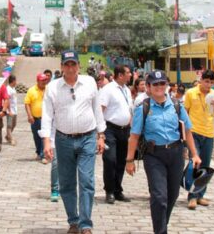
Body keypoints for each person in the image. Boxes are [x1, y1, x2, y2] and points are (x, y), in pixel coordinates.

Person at [125, 70, 201, 234]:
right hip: (154, 156)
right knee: (159, 197)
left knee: (172, 196)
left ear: (167, 85)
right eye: (155, 84)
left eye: (162, 83)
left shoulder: (176, 105)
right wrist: (129, 160)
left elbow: (187, 131)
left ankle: (161, 226)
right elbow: (134, 136)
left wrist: (194, 154)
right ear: (149, 87)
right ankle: (161, 231)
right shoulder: (142, 108)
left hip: (175, 154)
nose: (159, 87)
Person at [41, 50, 106, 234]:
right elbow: (47, 116)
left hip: (87, 138)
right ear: (61, 67)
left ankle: (86, 224)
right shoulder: (52, 87)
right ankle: (73, 221)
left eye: (73, 64)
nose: (70, 68)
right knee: (67, 183)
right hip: (63, 140)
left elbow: (97, 110)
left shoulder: (90, 83)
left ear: (79, 66)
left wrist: (101, 135)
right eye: (66, 64)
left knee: (86, 181)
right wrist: (47, 141)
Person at [183, 69, 214, 210]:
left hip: (209, 133)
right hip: (193, 132)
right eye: (206, 81)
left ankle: (200, 194)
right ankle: (192, 196)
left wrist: (213, 105)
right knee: (195, 163)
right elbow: (185, 113)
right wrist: (184, 135)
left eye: (211, 82)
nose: (208, 85)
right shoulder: (190, 93)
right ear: (201, 80)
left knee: (205, 165)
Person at [99, 64, 133, 204]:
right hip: (110, 129)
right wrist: (99, 133)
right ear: (120, 75)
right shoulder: (108, 90)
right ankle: (109, 190)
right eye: (128, 72)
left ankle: (118, 189)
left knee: (121, 160)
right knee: (110, 159)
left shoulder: (126, 90)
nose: (130, 75)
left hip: (124, 130)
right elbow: (100, 110)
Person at [25, 73, 50, 164]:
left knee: (45, 136)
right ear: (38, 81)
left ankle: (44, 155)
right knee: (36, 136)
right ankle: (39, 152)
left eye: (45, 80)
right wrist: (29, 115)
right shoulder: (31, 90)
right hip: (35, 118)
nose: (44, 82)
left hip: (46, 118)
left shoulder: (48, 89)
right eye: (42, 80)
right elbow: (27, 103)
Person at [5, 75, 18, 145]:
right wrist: (9, 110)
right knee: (9, 125)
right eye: (15, 80)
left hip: (15, 110)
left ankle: (7, 136)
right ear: (13, 81)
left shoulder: (13, 88)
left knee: (14, 124)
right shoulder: (8, 89)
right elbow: (7, 100)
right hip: (10, 110)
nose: (16, 82)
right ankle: (11, 139)